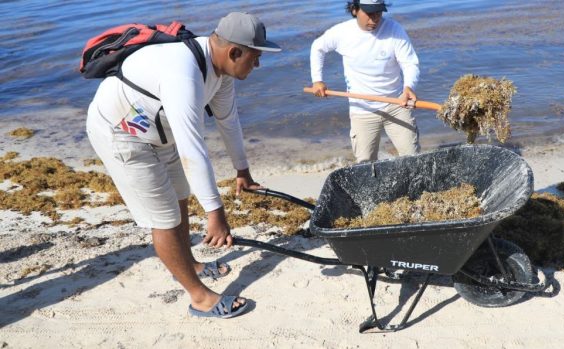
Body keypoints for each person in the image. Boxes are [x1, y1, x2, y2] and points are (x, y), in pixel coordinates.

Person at [85, 12, 281, 319]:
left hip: (159, 134)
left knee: (179, 196)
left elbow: (229, 122)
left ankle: (190, 264)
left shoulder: (221, 73)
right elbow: (193, 147)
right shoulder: (183, 72)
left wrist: (242, 171)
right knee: (164, 217)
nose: (257, 65)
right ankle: (200, 297)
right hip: (121, 134)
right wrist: (215, 213)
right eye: (255, 58)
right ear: (234, 52)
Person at [310, 0, 421, 163]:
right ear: (355, 10)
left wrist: (409, 86)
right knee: (365, 162)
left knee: (413, 157)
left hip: (397, 103)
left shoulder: (394, 30)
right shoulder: (342, 32)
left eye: (378, 12)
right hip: (362, 108)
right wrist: (317, 80)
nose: (374, 19)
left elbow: (409, 63)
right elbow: (317, 47)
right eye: (369, 13)